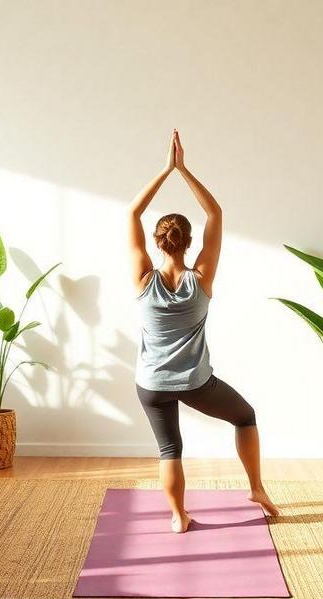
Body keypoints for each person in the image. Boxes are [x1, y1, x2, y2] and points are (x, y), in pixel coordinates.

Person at [128, 129, 279, 534]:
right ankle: (257, 488)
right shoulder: (202, 278)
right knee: (245, 416)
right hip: (195, 382)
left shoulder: (143, 279)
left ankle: (179, 517)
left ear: (158, 244)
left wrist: (165, 170)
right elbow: (216, 214)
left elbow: (131, 214)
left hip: (152, 383)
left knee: (169, 448)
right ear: (189, 243)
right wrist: (184, 169)